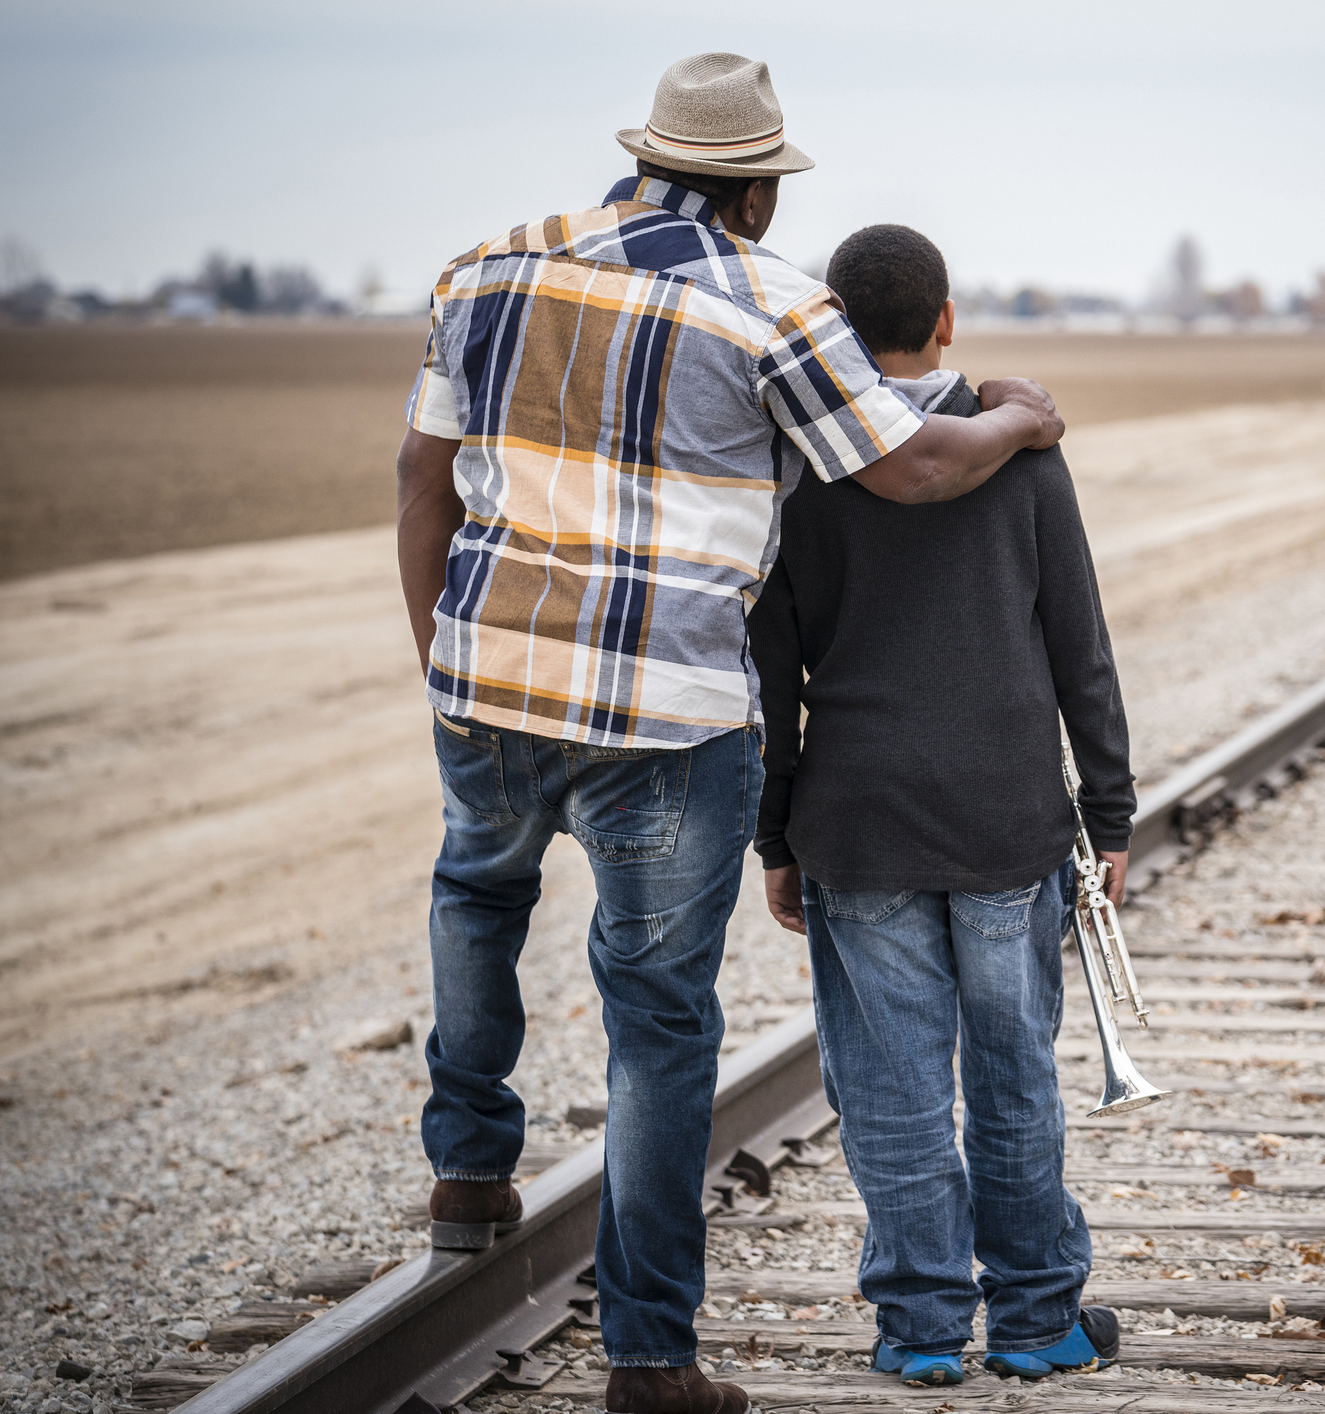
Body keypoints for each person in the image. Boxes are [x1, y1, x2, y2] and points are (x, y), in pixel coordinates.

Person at [392, 57, 1065, 1414]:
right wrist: (1020, 418)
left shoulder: (486, 266)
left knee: (475, 895)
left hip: (491, 680)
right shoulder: (771, 301)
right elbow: (909, 463)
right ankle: (649, 1361)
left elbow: (423, 482)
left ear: (645, 157)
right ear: (757, 188)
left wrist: (444, 665)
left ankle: (467, 1164)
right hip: (668, 720)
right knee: (658, 1028)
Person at [747, 224, 1134, 1388]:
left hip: (855, 820)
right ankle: (1032, 1322)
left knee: (889, 1082)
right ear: (947, 319)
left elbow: (771, 673)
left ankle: (919, 1329)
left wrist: (773, 835)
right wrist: (1108, 814)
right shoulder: (1022, 451)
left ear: (835, 328)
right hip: (1005, 817)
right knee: (1013, 1068)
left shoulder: (800, 459)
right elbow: (1081, 645)